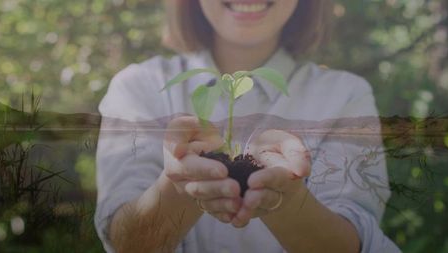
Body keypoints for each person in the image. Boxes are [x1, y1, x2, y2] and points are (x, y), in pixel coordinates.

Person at [95, 0, 401, 252]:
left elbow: (351, 243)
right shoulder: (139, 88)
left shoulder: (344, 95)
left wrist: (288, 199)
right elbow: (125, 242)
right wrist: (178, 185)